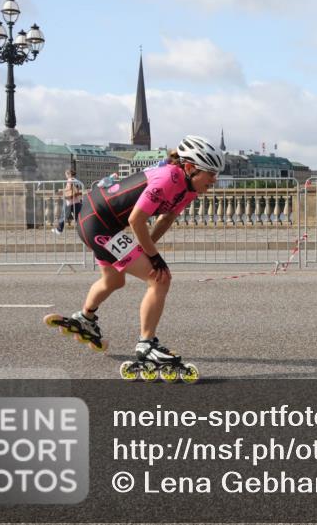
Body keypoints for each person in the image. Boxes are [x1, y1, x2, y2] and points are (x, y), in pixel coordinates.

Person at [45, 136, 223, 380]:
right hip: (98, 222)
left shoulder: (189, 188)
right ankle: (146, 345)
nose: (215, 180)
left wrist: (146, 250)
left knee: (114, 281)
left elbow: (166, 218)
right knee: (160, 279)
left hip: (103, 222)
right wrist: (152, 257)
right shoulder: (167, 179)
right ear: (191, 168)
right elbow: (136, 220)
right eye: (211, 173)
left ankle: (85, 318)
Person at [52, 169, 83, 234]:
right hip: (76, 201)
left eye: (66, 174)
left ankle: (59, 230)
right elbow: (77, 190)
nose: (65, 176)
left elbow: (68, 189)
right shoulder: (77, 181)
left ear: (69, 174)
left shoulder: (69, 180)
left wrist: (61, 191)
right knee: (79, 217)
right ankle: (83, 230)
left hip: (69, 201)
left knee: (63, 215)